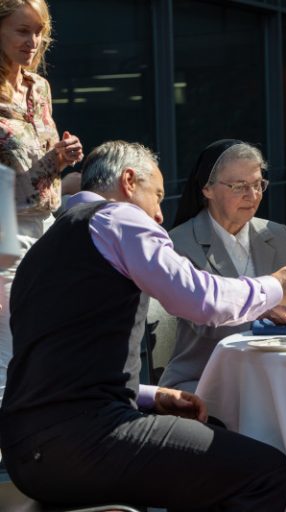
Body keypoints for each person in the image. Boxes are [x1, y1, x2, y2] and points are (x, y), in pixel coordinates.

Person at [0, 141, 286, 510]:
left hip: (26, 452)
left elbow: (57, 361)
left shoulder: (43, 247)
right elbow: (202, 299)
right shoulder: (117, 217)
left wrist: (151, 395)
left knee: (215, 452)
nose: (161, 216)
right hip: (85, 439)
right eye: (158, 195)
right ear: (129, 181)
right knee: (266, 471)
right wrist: (278, 286)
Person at [160, 139, 286, 393]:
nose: (253, 195)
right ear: (207, 189)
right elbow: (205, 320)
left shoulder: (278, 235)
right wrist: (264, 310)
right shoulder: (179, 243)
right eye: (239, 186)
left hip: (276, 376)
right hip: (204, 379)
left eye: (258, 185)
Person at [0, 0, 84, 405]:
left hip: (48, 228)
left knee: (47, 338)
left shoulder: (39, 88)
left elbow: (43, 164)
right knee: (7, 346)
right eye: (22, 31)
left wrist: (65, 154)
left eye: (39, 32)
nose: (33, 41)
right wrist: (52, 161)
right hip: (7, 234)